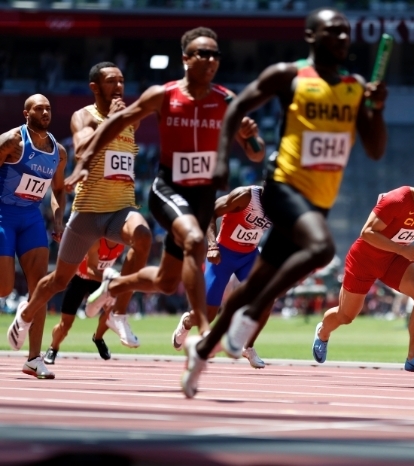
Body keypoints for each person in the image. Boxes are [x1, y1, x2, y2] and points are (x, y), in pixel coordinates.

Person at [181, 8, 388, 398]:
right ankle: (248, 318)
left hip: (318, 199)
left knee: (256, 281)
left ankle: (201, 352)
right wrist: (224, 158)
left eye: (346, 32)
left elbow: (376, 149)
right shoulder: (289, 75)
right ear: (311, 36)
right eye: (332, 31)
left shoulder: (354, 85)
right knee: (323, 247)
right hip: (282, 186)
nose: (342, 38)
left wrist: (377, 110)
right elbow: (238, 107)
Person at [65, 28, 264, 340]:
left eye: (216, 55)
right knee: (197, 241)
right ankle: (202, 331)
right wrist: (85, 161)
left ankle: (114, 285)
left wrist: (252, 138)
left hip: (202, 193)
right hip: (168, 189)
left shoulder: (226, 99)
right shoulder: (163, 94)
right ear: (185, 58)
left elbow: (255, 154)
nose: (211, 60)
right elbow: (117, 121)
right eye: (203, 53)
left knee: (167, 281)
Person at [8, 63, 152, 359]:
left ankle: (118, 313)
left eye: (123, 80)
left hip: (120, 209)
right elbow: (83, 147)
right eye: (112, 81)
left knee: (143, 236)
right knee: (59, 281)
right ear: (95, 87)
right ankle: (26, 314)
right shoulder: (84, 115)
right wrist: (111, 120)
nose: (119, 86)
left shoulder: (131, 119)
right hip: (87, 212)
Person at [313, 161, 414, 375]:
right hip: (364, 259)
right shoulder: (397, 200)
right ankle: (323, 331)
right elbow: (367, 232)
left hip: (393, 261)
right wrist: (402, 250)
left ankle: (413, 358)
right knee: (346, 316)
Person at [171, 184, 272, 368]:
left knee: (267, 300)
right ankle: (187, 321)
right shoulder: (245, 196)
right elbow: (211, 212)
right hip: (223, 254)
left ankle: (247, 346)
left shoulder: (281, 205)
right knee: (209, 314)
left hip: (249, 256)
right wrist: (212, 245)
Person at [2, 94, 67, 379]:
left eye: (48, 108)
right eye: (39, 108)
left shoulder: (59, 152)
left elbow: (59, 189)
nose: (45, 112)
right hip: (3, 215)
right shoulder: (11, 141)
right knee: (4, 289)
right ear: (26, 112)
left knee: (39, 289)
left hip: (31, 219)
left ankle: (33, 359)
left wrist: (58, 220)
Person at [44, 238, 125, 364]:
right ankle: (53, 348)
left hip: (99, 281)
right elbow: (89, 270)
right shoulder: (97, 240)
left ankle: (98, 337)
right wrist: (111, 280)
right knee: (65, 325)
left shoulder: (122, 243)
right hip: (79, 279)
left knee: (112, 311)